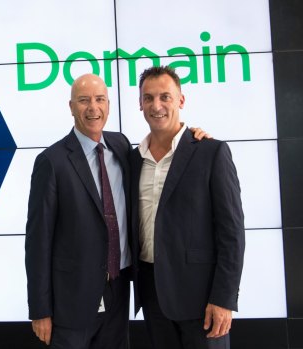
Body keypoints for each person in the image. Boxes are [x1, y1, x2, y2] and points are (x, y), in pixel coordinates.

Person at [24, 73, 208, 348]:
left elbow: (167, 150)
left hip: (119, 292)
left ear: (109, 105)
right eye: (84, 100)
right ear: (71, 106)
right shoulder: (51, 162)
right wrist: (40, 310)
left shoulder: (121, 147)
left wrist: (193, 136)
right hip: (71, 302)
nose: (93, 108)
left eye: (100, 100)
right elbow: (37, 243)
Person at [130, 66, 245, 349]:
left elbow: (232, 234)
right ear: (140, 103)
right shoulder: (131, 160)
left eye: (165, 97)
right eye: (148, 98)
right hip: (152, 293)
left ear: (181, 100)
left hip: (202, 299)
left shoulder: (211, 152)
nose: (156, 106)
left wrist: (223, 298)